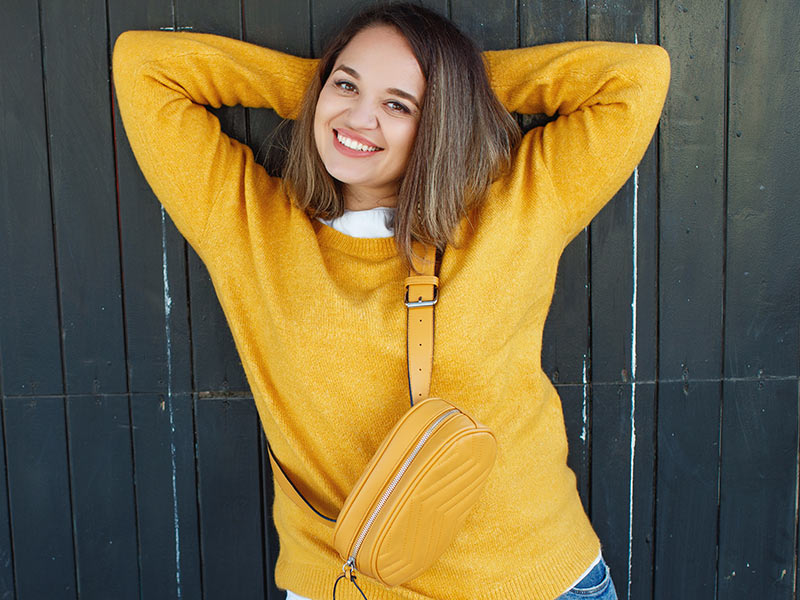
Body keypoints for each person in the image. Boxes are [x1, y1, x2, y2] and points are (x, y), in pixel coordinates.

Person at [112, 3, 670, 599]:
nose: (359, 116)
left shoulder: (516, 210)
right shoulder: (251, 225)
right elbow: (145, 66)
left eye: (399, 105)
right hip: (346, 584)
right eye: (346, 84)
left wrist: (455, 88)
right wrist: (324, 86)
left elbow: (635, 78)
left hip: (535, 579)